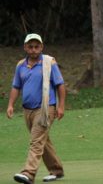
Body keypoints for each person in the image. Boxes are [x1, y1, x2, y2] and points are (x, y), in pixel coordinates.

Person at [6, 33, 66, 184]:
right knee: (42, 140)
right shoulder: (20, 65)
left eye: (36, 46)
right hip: (27, 110)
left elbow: (60, 85)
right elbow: (16, 86)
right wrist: (11, 105)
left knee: (36, 140)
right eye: (30, 46)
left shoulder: (49, 63)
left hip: (46, 108)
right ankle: (56, 170)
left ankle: (29, 173)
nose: (33, 49)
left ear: (41, 47)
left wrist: (61, 106)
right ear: (25, 47)